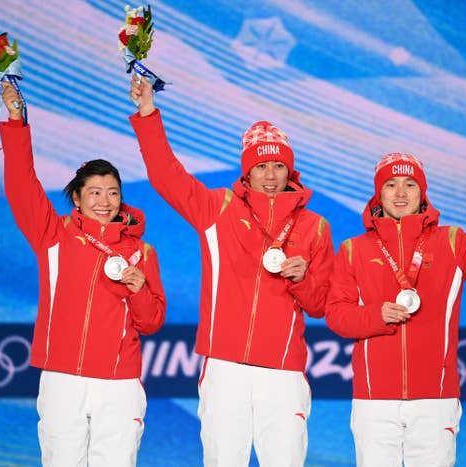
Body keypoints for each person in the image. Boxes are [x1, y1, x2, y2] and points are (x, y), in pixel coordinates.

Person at [128, 77, 335, 466]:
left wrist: (302, 279)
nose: (271, 175)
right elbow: (166, 176)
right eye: (261, 166)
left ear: (290, 171)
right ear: (247, 171)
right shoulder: (218, 210)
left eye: (278, 166)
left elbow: (322, 304)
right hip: (224, 367)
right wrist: (147, 114)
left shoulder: (315, 227)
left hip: (283, 371)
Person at [0, 82, 166, 467]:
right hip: (63, 376)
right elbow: (21, 185)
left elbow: (152, 320)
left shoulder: (141, 251)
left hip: (119, 382)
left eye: (112, 193)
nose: (104, 202)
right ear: (76, 197)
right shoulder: (53, 235)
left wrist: (139, 290)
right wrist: (16, 122)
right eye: (94, 193)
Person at [325, 152, 466, 466]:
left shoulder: (452, 242)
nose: (401, 193)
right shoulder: (354, 250)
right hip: (375, 401)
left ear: (422, 193)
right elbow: (336, 315)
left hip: (436, 398)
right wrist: (377, 316)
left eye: (409, 184)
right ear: (379, 193)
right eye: (390, 185)